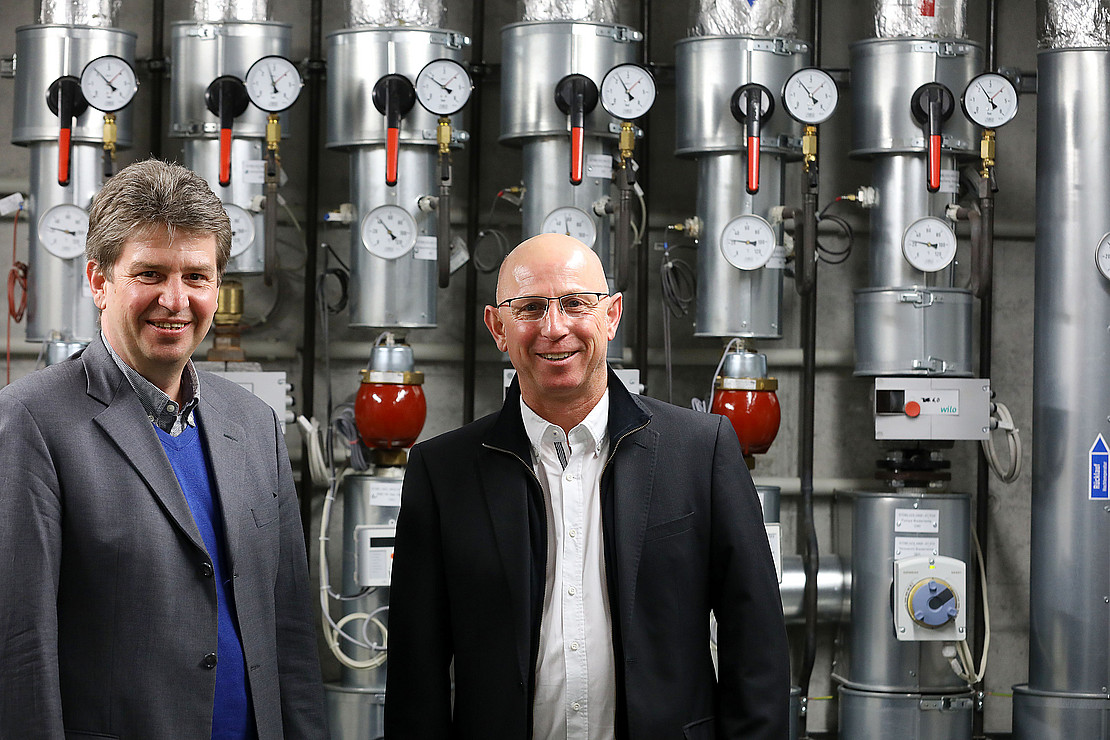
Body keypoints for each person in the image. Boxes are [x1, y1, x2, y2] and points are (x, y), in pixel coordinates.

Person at [384, 233, 790, 739]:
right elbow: (415, 675)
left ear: (611, 316)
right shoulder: (443, 472)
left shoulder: (700, 451)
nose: (554, 328)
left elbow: (756, 642)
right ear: (498, 328)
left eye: (575, 303)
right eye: (529, 308)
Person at [0, 159, 327, 739]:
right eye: (149, 273)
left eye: (196, 276)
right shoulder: (32, 420)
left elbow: (291, 634)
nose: (175, 300)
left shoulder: (254, 423)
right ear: (99, 281)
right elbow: (20, 645)